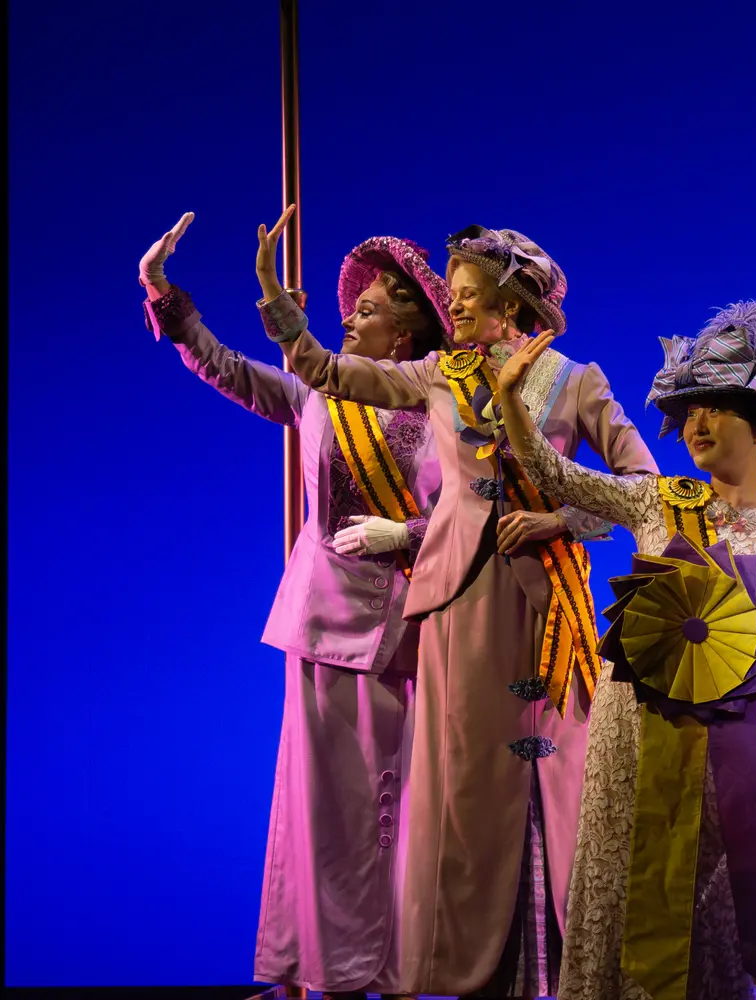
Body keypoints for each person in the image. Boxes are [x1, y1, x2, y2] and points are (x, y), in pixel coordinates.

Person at [254, 206, 658, 996]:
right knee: (468, 785)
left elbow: (640, 484)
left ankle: (569, 966)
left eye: (469, 296)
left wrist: (562, 515)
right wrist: (277, 302)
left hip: (546, 604)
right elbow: (331, 373)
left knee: (555, 771)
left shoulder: (578, 383)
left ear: (511, 307)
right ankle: (476, 968)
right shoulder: (440, 375)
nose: (456, 307)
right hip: (457, 604)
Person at [140, 213, 446, 999]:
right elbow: (229, 370)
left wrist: (408, 531)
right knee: (317, 811)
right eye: (350, 310)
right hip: (318, 621)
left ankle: (389, 969)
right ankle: (315, 967)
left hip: (397, 632)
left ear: (409, 323)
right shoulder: (319, 393)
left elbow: (467, 515)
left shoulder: (442, 408)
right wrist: (168, 299)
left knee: (388, 809)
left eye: (370, 308)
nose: (351, 317)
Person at [500, 303, 756, 1000]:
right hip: (629, 729)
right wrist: (509, 401)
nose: (698, 424)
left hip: (715, 746)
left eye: (717, 408)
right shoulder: (657, 500)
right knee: (620, 877)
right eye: (691, 411)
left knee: (698, 891)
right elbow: (560, 479)